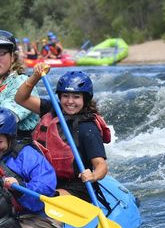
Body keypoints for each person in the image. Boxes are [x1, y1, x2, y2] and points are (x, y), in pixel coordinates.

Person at [14, 64, 112, 203]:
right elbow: (20, 99)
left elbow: (101, 165)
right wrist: (35, 76)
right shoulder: (53, 110)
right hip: (44, 177)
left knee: (44, 200)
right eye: (65, 96)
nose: (70, 101)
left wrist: (93, 176)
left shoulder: (88, 128)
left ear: (85, 99)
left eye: (76, 97)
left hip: (76, 186)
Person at [0, 107, 65, 228]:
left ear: (10, 138)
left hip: (33, 216)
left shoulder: (27, 155)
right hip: (1, 217)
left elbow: (46, 186)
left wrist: (20, 188)